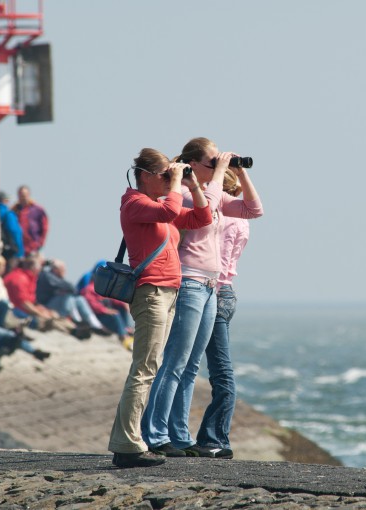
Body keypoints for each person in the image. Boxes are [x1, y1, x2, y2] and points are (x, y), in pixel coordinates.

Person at [141, 137, 263, 459]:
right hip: (189, 283)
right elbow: (202, 210)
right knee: (175, 362)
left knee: (191, 367)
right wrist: (220, 171)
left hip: (211, 287)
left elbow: (254, 209)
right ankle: (155, 434)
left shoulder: (215, 194)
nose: (216, 167)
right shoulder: (181, 193)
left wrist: (240, 171)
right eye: (211, 162)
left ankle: (180, 436)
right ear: (193, 164)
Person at [107, 148, 212, 468]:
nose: (170, 181)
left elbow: (202, 218)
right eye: (165, 176)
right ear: (145, 176)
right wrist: (178, 181)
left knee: (147, 368)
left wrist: (192, 186)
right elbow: (169, 214)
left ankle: (124, 441)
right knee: (144, 369)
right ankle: (128, 446)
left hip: (169, 292)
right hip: (151, 293)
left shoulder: (159, 204)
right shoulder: (135, 203)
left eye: (171, 175)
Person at [195, 170, 250, 458]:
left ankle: (214, 437)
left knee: (215, 370)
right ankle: (212, 436)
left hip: (212, 291)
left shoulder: (220, 216)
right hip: (228, 291)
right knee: (218, 368)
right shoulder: (241, 219)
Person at [36, 259, 108, 338]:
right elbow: (71, 287)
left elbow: (73, 289)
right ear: (56, 269)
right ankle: (78, 321)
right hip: (45, 305)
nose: (65, 271)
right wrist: (62, 278)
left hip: (55, 304)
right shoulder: (48, 276)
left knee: (79, 299)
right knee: (69, 297)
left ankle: (96, 325)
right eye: (63, 269)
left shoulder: (54, 277)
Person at [4, 256, 58, 332]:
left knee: (53, 315)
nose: (41, 270)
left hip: (24, 309)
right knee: (45, 321)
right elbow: (23, 303)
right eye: (39, 267)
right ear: (33, 267)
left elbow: (30, 300)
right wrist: (40, 313)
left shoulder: (29, 278)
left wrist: (43, 310)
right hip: (15, 311)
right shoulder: (19, 278)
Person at [12, 185, 48, 256]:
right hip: (18, 246)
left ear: (29, 195)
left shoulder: (37, 210)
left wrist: (40, 243)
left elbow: (45, 227)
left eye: (24, 195)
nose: (23, 198)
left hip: (33, 245)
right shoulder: (14, 210)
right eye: (21, 195)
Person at [0, 191, 24, 269]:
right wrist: (20, 252)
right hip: (10, 252)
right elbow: (14, 232)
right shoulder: (8, 214)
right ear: (5, 201)